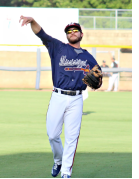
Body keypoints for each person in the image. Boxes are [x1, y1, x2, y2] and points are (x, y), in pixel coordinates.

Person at [19, 15, 102, 178]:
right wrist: (33, 21)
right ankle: (58, 160)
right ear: (66, 35)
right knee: (52, 135)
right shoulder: (57, 47)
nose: (72, 32)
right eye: (69, 31)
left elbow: (98, 77)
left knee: (72, 137)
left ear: (81, 34)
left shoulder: (88, 57)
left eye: (75, 30)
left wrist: (98, 80)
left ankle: (66, 172)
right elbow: (41, 33)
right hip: (58, 96)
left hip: (77, 99)